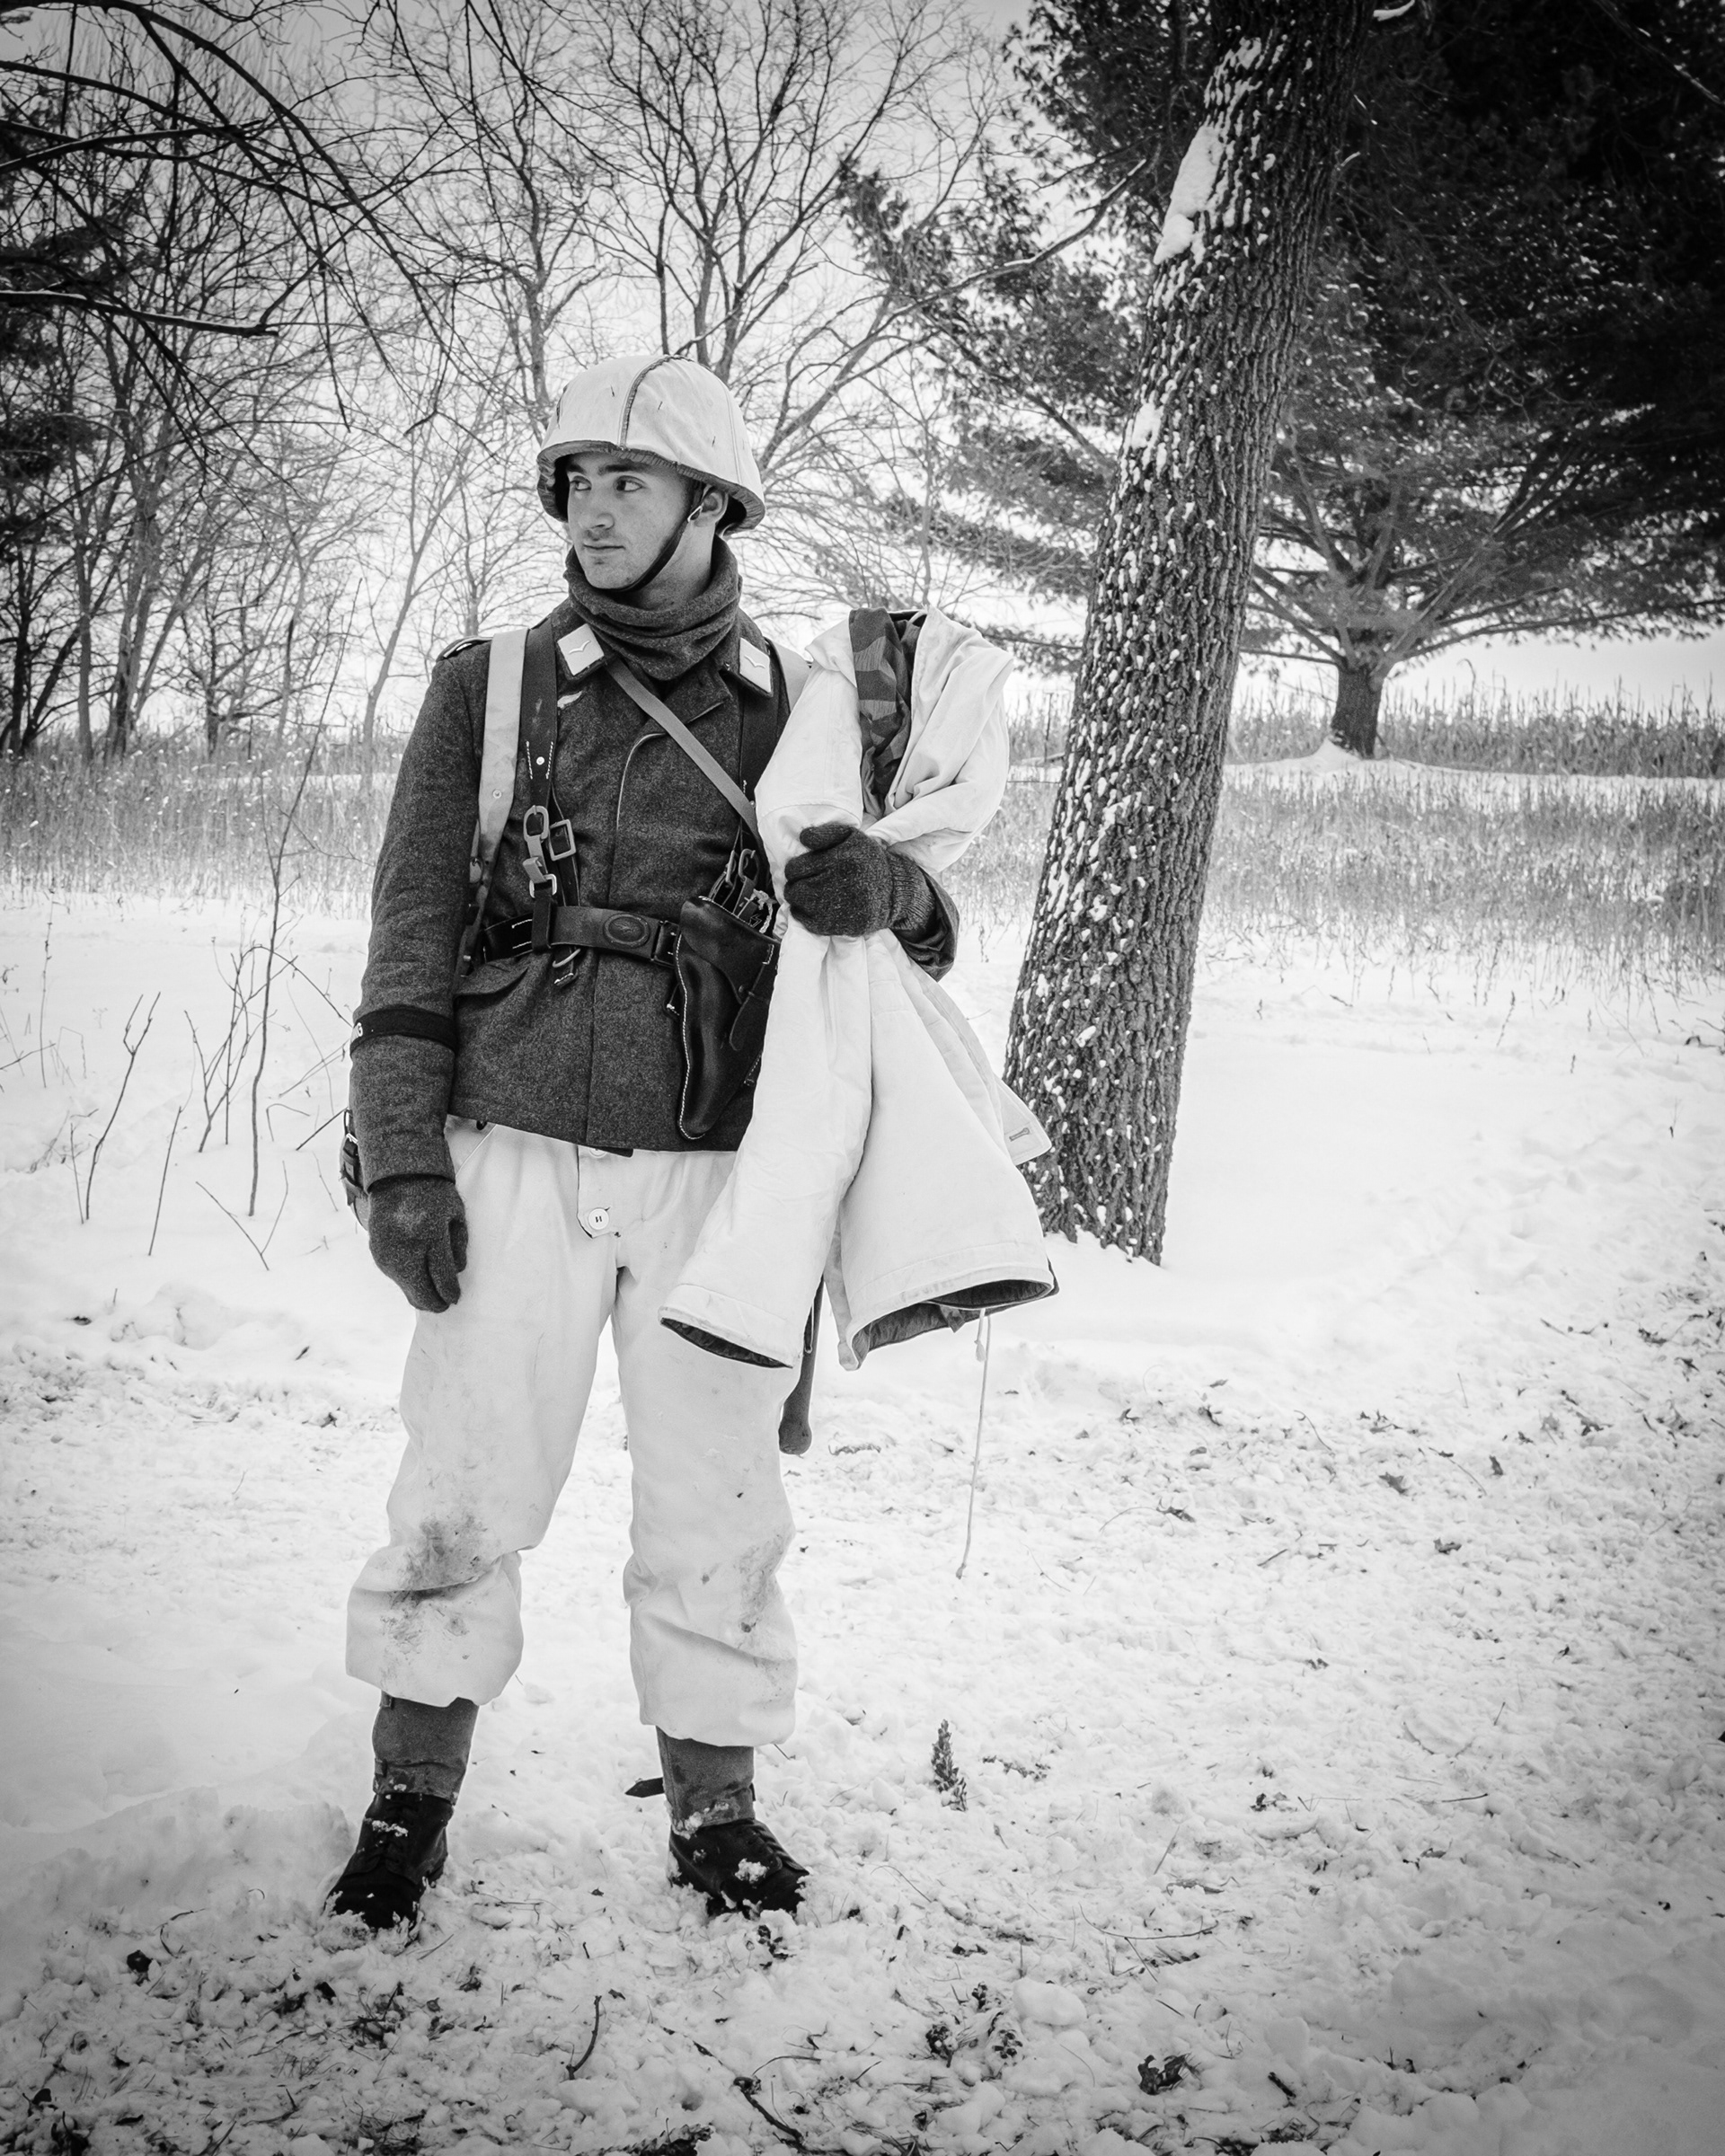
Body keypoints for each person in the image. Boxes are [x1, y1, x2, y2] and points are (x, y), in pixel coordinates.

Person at [330, 354, 958, 1931]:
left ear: (709, 504)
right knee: (461, 1488)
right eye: (578, 482)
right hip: (510, 1145)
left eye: (630, 481)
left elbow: (920, 925)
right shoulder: (487, 687)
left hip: (722, 1172)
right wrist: (401, 1156)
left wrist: (894, 890)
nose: (593, 512)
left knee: (717, 1501)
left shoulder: (808, 710)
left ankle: (718, 1813)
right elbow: (410, 933)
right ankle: (407, 1807)